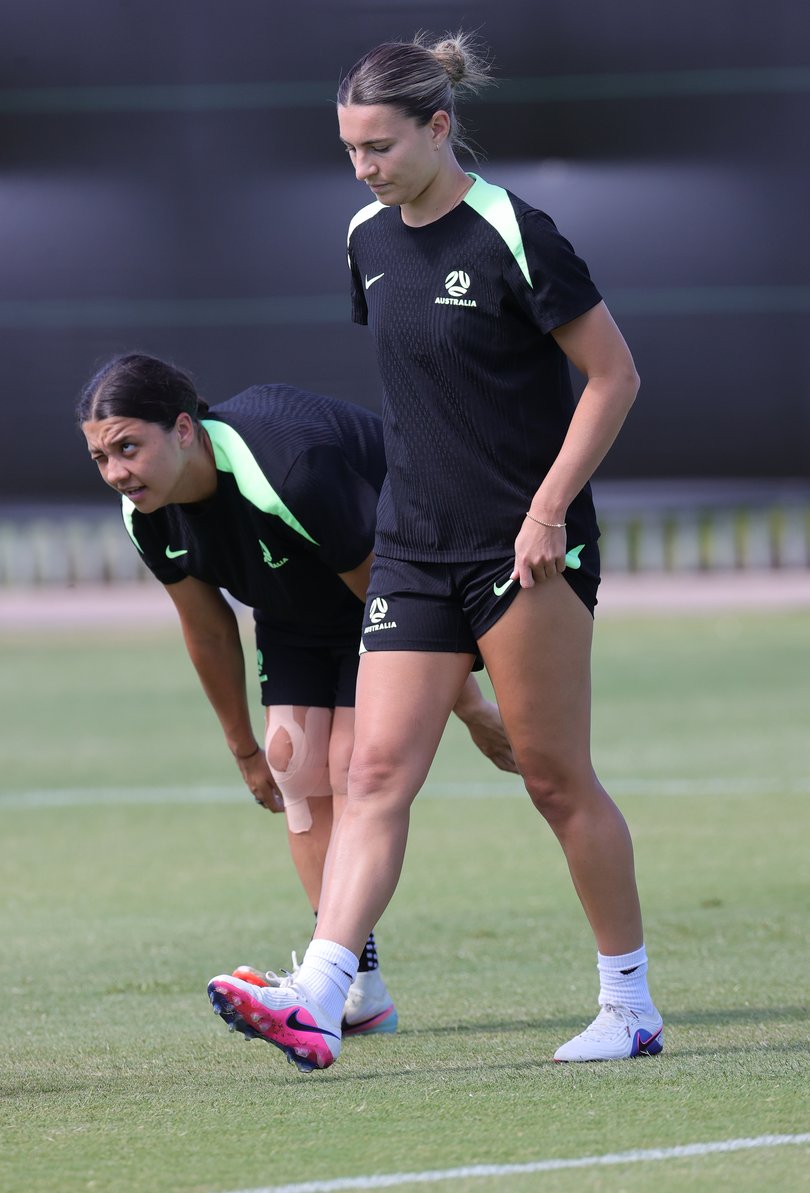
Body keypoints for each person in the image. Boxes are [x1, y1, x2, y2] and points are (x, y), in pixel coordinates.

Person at [207, 30, 663, 1072]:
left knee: (552, 776)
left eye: (380, 146)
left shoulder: (514, 229)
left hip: (524, 551)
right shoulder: (366, 236)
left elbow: (614, 377)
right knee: (371, 771)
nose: (363, 167)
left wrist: (548, 510)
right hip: (412, 547)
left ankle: (629, 1003)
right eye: (349, 149)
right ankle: (322, 995)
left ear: (439, 127)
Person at [77, 352, 516, 1038]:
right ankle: (359, 990)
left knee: (349, 766)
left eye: (128, 448)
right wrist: (245, 749)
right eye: (101, 458)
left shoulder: (287, 471)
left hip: (398, 578)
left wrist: (473, 711)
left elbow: (385, 590)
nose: (116, 473)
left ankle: (322, 982)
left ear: (185, 429)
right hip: (295, 610)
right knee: (294, 768)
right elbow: (208, 629)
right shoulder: (149, 515)